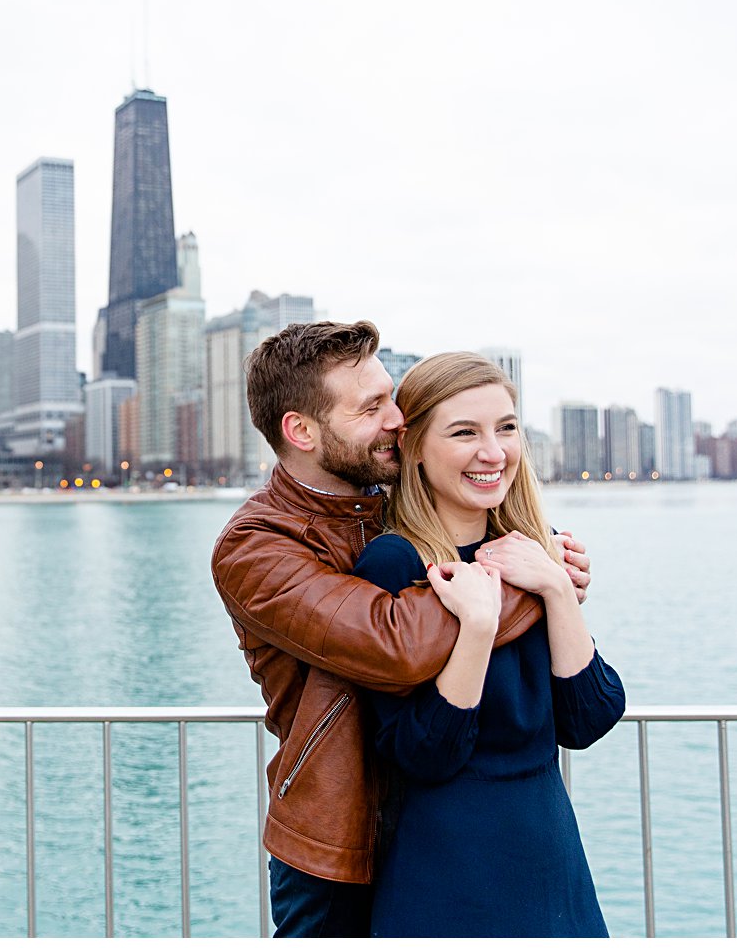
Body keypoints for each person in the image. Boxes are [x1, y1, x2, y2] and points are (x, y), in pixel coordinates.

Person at [211, 321, 593, 937]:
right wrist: (534, 578)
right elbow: (395, 644)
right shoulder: (256, 547)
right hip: (339, 838)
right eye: (371, 408)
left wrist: (552, 581)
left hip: (432, 819)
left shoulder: (386, 506)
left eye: (391, 396)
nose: (398, 420)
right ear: (301, 430)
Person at [353, 351, 624, 937]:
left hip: (551, 860)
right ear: (416, 448)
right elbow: (425, 755)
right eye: (464, 433)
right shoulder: (393, 562)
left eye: (506, 427)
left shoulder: (536, 550)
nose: (493, 452)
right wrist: (476, 628)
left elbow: (589, 718)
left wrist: (553, 585)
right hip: (446, 870)